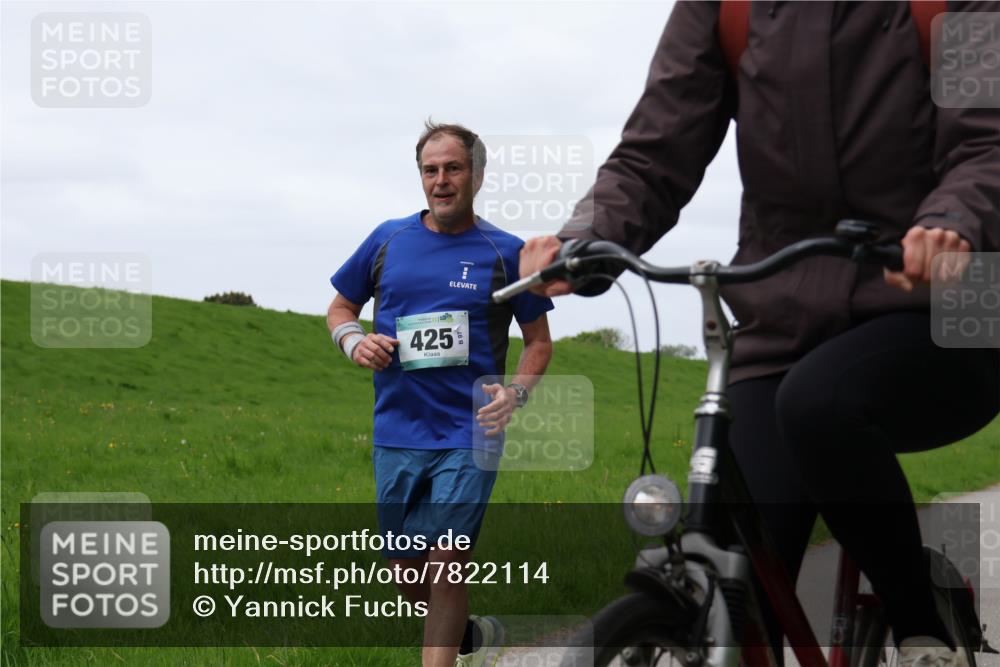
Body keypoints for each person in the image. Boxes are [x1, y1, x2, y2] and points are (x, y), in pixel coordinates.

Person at [519, 2, 999, 665]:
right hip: (784, 318)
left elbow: (986, 140)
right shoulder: (725, 7)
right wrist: (586, 238)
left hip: (937, 310)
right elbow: (655, 149)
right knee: (740, 562)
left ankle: (923, 631)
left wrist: (953, 218)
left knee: (820, 403)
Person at [328, 121, 554, 667]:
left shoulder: (506, 252)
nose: (441, 180)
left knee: (448, 559)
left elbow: (539, 343)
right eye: (431, 170)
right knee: (404, 569)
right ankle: (466, 635)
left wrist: (515, 396)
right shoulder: (388, 239)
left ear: (475, 174)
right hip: (398, 428)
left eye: (453, 168)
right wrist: (354, 341)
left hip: (470, 429)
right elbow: (339, 307)